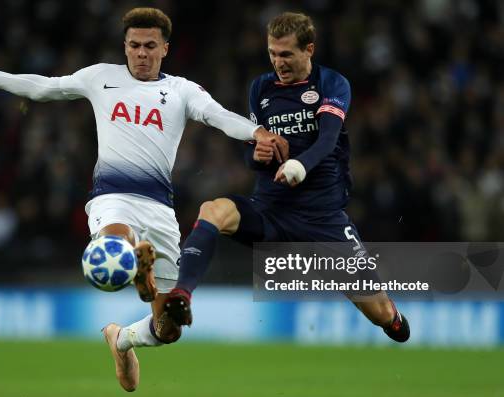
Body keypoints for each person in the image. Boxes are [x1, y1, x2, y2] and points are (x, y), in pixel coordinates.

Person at [0, 7, 288, 392]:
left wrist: (256, 132)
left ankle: (121, 338)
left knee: (168, 328)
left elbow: (218, 115)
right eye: (134, 46)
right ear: (124, 47)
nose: (141, 53)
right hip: (112, 197)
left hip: (159, 209)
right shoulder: (101, 77)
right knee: (115, 242)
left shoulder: (181, 90)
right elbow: (44, 87)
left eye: (149, 46)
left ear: (165, 49)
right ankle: (132, 259)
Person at [165, 11, 410, 343]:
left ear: (309, 49)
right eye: (272, 53)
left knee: (381, 315)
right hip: (270, 211)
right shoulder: (261, 88)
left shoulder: (331, 84)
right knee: (212, 210)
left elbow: (327, 140)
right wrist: (257, 155)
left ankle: (392, 316)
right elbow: (255, 153)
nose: (278, 62)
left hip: (321, 219)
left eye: (286, 54)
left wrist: (299, 166)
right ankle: (181, 294)